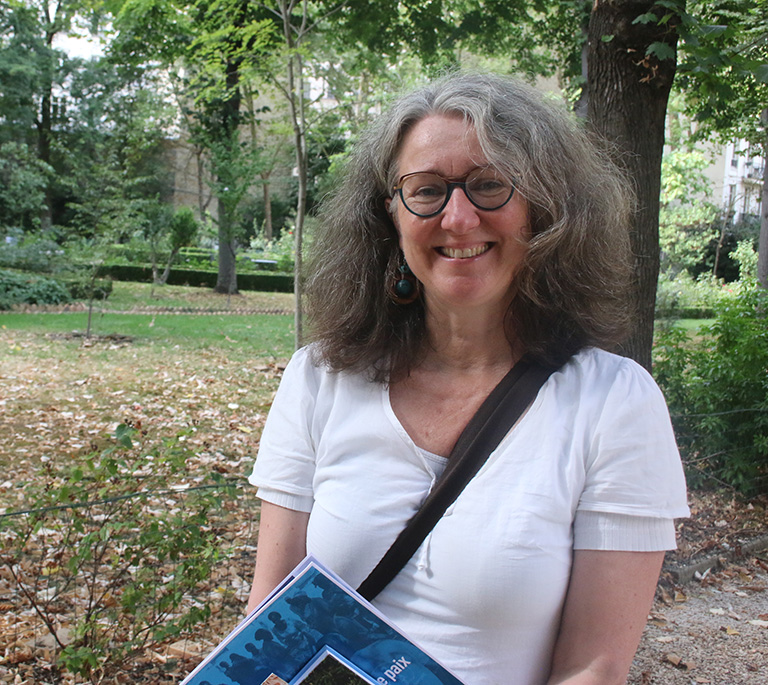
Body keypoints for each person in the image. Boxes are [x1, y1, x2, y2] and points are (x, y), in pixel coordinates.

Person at [246, 72, 690, 685]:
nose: (458, 217)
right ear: (392, 217)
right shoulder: (319, 379)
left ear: (543, 207)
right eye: (426, 190)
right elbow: (268, 624)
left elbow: (595, 666)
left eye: (488, 185)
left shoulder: (613, 403)